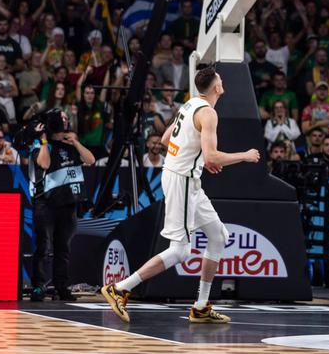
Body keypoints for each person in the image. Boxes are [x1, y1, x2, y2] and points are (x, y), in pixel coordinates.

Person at [100, 66, 261, 324]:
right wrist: (245, 155)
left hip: (187, 179)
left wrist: (197, 155)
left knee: (219, 236)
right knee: (180, 251)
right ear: (217, 88)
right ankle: (120, 288)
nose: (222, 83)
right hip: (182, 181)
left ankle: (200, 306)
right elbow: (212, 156)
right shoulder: (208, 113)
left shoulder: (189, 105)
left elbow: (166, 139)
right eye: (220, 80)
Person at [30, 109, 96, 301]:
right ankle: (38, 286)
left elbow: (90, 160)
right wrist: (43, 140)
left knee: (63, 249)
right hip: (46, 203)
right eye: (63, 117)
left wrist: (75, 141)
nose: (66, 120)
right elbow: (43, 163)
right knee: (42, 247)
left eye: (67, 117)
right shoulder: (41, 144)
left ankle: (61, 286)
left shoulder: (70, 145)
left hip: (68, 204)